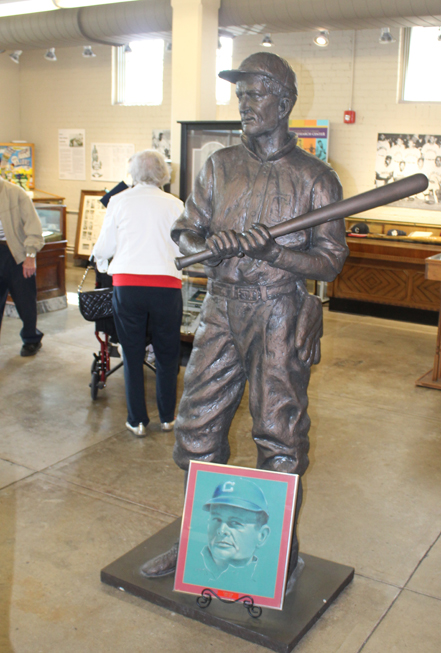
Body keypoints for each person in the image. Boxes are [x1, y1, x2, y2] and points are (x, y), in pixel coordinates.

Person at [141, 52, 348, 580]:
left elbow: (329, 261)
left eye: (255, 95)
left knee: (279, 434)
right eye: (241, 96)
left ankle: (278, 554)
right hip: (220, 308)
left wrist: (273, 254)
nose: (244, 106)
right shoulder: (220, 164)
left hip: (279, 311)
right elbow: (186, 228)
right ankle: (198, 542)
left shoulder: (314, 178)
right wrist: (208, 242)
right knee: (196, 428)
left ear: (283, 103)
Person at [92, 150, 184, 437]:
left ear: (132, 172)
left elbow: (105, 246)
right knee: (168, 352)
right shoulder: (175, 204)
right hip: (166, 286)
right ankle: (168, 417)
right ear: (163, 174)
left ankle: (137, 420)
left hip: (128, 285)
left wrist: (103, 262)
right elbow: (183, 249)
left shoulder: (118, 201)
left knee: (131, 352)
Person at [0, 178, 44, 356]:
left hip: (16, 254)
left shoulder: (15, 193)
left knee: (25, 301)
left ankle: (31, 338)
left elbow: (33, 227)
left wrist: (30, 256)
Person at [198, 478, 271, 583]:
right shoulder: (190, 565)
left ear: (262, 536)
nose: (222, 530)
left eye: (236, 523)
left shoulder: (267, 580)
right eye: (217, 519)